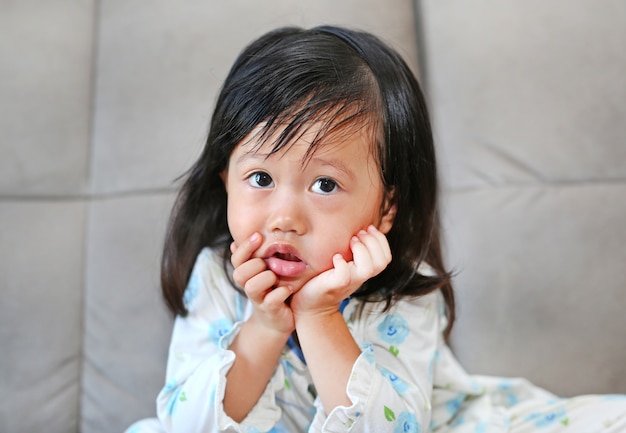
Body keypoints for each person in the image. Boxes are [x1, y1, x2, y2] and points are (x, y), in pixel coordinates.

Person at [126, 25, 626, 433]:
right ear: (225, 182)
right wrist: (263, 326)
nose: (285, 217)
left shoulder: (404, 288)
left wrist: (319, 314)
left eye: (325, 185)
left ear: (386, 208)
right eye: (260, 178)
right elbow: (188, 425)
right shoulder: (218, 276)